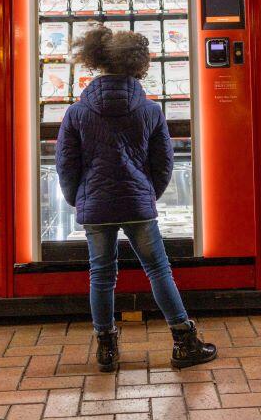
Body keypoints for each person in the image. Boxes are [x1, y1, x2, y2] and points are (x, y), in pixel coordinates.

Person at [55, 25, 217, 372]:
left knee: (101, 275)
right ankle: (183, 341)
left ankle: (106, 349)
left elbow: (66, 165)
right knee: (158, 270)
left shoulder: (76, 112)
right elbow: (164, 164)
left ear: (97, 61)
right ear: (139, 65)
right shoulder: (150, 110)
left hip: (95, 206)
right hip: (138, 204)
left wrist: (78, 199)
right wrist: (148, 194)